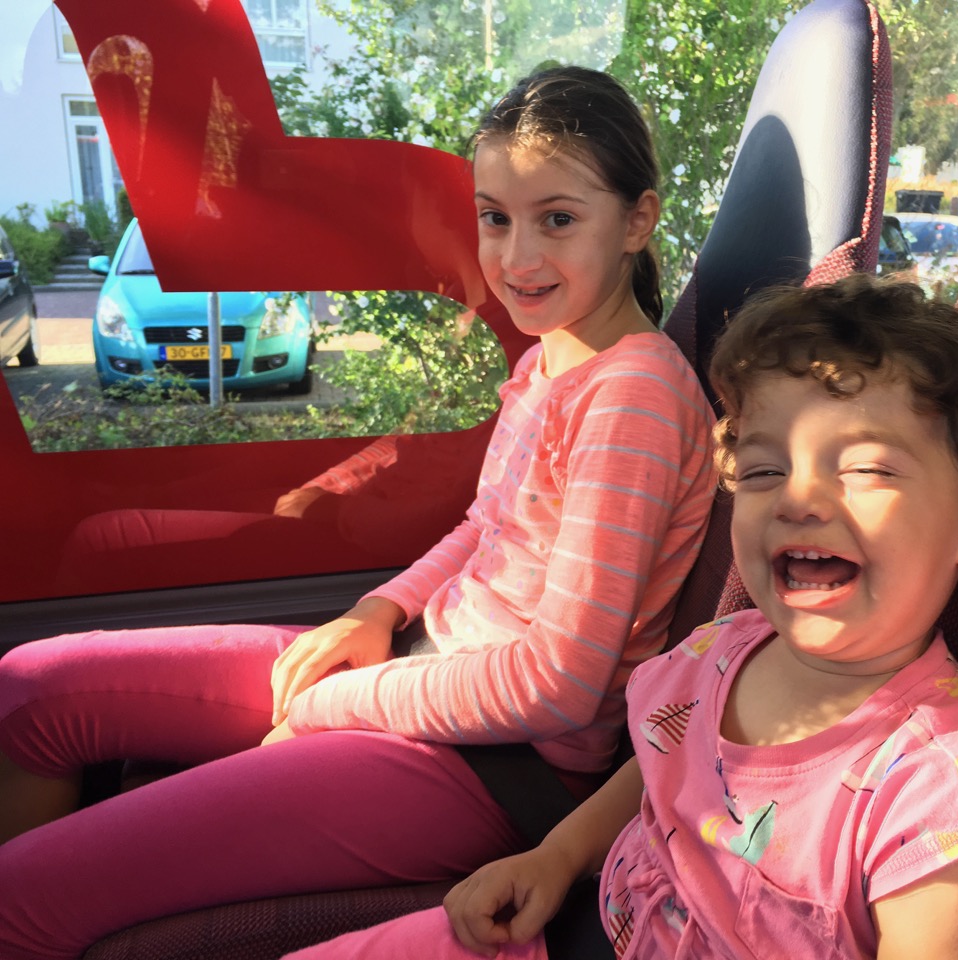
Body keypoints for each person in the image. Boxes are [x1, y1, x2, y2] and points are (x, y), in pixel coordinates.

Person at [0, 66, 716, 958]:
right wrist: (377, 612)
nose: (517, 258)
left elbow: (561, 682)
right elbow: (484, 530)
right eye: (496, 217)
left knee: (23, 899)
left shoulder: (634, 393)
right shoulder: (553, 359)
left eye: (558, 219)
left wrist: (349, 702)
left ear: (637, 221)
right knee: (33, 688)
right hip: (429, 671)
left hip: (501, 764)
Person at [280, 274, 958, 960]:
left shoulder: (938, 794)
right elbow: (662, 763)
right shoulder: (726, 649)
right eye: (764, 470)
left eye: (862, 467)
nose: (798, 498)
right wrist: (556, 857)